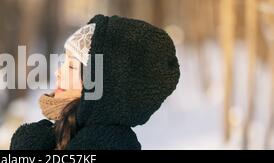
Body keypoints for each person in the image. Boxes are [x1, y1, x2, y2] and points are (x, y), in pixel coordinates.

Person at [10, 14, 180, 150]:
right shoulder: (68, 134)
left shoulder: (107, 144)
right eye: (63, 62)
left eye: (71, 67)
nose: (58, 72)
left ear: (105, 83)